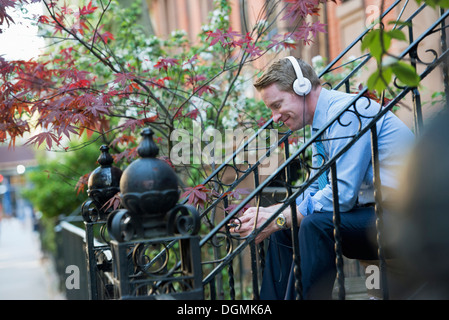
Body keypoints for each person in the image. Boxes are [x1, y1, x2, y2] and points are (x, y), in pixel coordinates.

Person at [231, 56, 415, 299]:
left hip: (408, 220)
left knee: (314, 224)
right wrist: (273, 216)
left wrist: (280, 218)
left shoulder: (346, 114)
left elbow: (341, 196)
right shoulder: (323, 122)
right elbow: (321, 188)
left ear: (302, 87)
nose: (275, 117)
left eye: (277, 105)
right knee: (286, 228)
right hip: (375, 215)